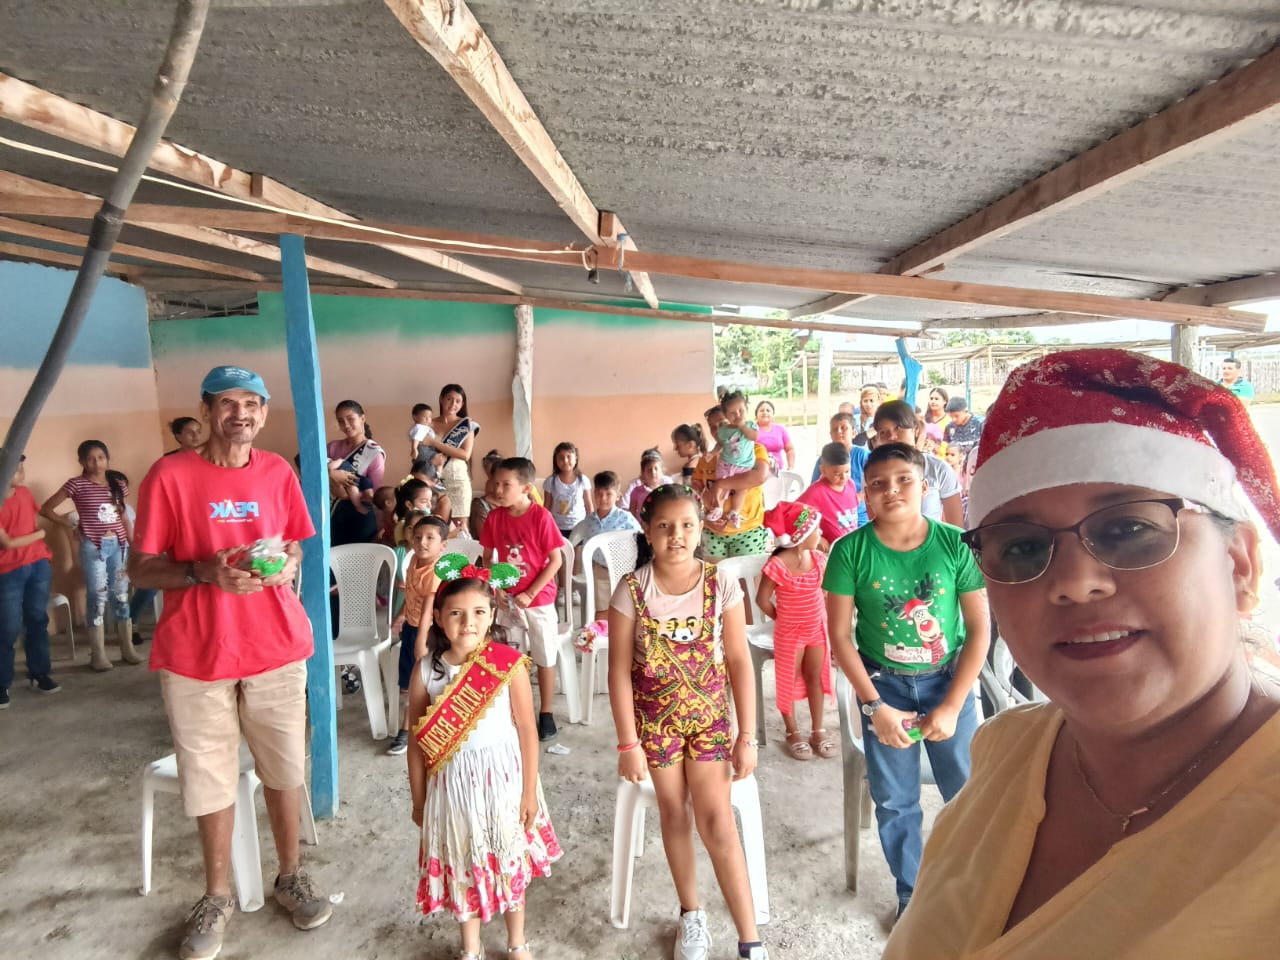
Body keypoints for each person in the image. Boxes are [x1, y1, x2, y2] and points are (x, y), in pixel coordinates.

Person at [884, 349, 1280, 959]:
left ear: (1241, 565)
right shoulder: (1007, 750)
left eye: (1128, 528)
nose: (1074, 583)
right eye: (1021, 547)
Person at [128, 365, 332, 959]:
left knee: (284, 766)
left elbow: (294, 544)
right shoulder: (169, 475)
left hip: (275, 646)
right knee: (209, 776)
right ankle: (216, 896)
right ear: (206, 410)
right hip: (196, 654)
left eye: (251, 403)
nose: (240, 413)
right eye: (227, 402)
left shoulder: (277, 471)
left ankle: (290, 875)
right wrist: (202, 572)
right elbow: (139, 568)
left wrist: (288, 564)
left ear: (263, 414)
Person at [824, 442, 990, 917]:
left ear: (925, 485)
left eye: (903, 480)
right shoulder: (850, 551)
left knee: (968, 792)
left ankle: (973, 885)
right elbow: (840, 636)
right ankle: (911, 894)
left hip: (948, 682)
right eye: (877, 484)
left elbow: (979, 630)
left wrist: (953, 704)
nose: (891, 490)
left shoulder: (955, 544)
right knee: (896, 799)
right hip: (884, 686)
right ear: (865, 494)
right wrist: (874, 706)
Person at [607, 485, 769, 960]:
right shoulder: (631, 590)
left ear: (701, 529)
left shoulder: (722, 584)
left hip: (709, 722)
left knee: (716, 821)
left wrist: (747, 735)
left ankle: (750, 939)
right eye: (664, 526)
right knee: (674, 813)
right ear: (647, 531)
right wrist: (627, 744)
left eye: (686, 525)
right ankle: (691, 914)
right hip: (654, 726)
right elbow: (618, 671)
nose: (675, 535)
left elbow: (738, 661)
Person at [408, 565, 562, 960]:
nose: (468, 623)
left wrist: (529, 793)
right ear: (439, 617)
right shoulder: (426, 670)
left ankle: (517, 942)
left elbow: (527, 729)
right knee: (464, 864)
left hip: (504, 784)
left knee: (509, 860)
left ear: (492, 615)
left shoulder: (507, 663)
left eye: (478, 612)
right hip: (453, 791)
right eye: (456, 613)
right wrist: (419, 800)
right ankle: (471, 947)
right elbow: (416, 743)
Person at [480, 457, 564, 742]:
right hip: (508, 601)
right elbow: (487, 558)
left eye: (506, 484)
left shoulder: (541, 517)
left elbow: (555, 561)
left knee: (544, 654)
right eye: (496, 483)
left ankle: (546, 712)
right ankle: (516, 710)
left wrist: (531, 593)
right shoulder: (495, 518)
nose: (498, 490)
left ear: (526, 488)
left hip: (539, 601)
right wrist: (496, 587)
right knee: (510, 655)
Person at [40, 439, 140, 670]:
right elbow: (46, 509)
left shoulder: (117, 483)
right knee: (97, 596)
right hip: (94, 548)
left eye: (101, 457)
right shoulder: (76, 484)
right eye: (90, 459)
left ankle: (127, 648)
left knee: (121, 595)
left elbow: (124, 517)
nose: (97, 463)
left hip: (119, 546)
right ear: (82, 461)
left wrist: (133, 545)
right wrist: (70, 525)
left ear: (108, 459)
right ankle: (98, 654)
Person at [758, 502, 832, 761]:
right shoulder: (777, 565)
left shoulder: (819, 560)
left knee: (815, 677)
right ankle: (792, 732)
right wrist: (782, 618)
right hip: (790, 634)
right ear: (802, 534)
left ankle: (818, 731)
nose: (820, 533)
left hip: (816, 630)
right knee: (787, 680)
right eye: (816, 529)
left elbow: (824, 592)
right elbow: (762, 600)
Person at [0, 449, 59, 705]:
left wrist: (35, 541)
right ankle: (2, 684)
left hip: (38, 565)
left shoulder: (24, 493)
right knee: (7, 628)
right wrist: (40, 536)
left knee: (37, 620)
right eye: (15, 468)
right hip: (7, 571)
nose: (21, 472)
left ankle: (40, 673)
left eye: (21, 466)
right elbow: (7, 543)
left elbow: (29, 524)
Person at [387, 514, 448, 757]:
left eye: (430, 538)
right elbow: (411, 596)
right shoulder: (414, 560)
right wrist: (401, 616)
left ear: (443, 545)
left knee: (425, 681)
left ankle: (415, 729)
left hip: (429, 632)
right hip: (412, 628)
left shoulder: (434, 572)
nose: (422, 542)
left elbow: (427, 612)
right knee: (409, 682)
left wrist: (421, 642)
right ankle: (412, 726)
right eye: (418, 536)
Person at [872, 400, 963, 526]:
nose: (891, 436)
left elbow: (957, 528)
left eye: (898, 428)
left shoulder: (938, 469)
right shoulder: (873, 473)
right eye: (883, 432)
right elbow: (875, 522)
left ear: (915, 429)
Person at [568, 471, 641, 621]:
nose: (603, 498)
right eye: (599, 494)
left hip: (623, 571)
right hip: (599, 571)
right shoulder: (589, 521)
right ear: (594, 495)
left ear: (618, 496)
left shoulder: (625, 519)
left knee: (622, 609)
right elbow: (575, 541)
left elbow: (641, 540)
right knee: (601, 609)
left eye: (608, 494)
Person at [694, 439, 771, 560]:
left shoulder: (755, 450)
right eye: (714, 428)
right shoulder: (707, 458)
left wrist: (720, 485)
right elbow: (696, 492)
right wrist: (705, 517)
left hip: (748, 531)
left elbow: (760, 476)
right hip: (712, 532)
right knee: (713, 571)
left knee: (745, 571)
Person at [327, 399, 385, 546]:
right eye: (341, 421)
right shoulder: (332, 447)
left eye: (350, 419)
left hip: (359, 517)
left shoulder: (373, 453)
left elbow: (374, 495)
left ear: (362, 418)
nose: (346, 425)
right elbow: (315, 474)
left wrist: (345, 495)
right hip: (332, 513)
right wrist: (332, 474)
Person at [427, 384, 478, 532]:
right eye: (449, 399)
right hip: (433, 482)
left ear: (462, 404)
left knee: (460, 529)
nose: (453, 404)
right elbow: (419, 454)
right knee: (436, 528)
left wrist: (435, 443)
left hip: (458, 482)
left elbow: (465, 454)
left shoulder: (466, 426)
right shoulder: (429, 424)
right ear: (441, 399)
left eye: (458, 401)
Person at [810, 412, 870, 527]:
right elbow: (814, 490)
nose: (839, 432)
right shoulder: (823, 460)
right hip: (831, 517)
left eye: (844, 428)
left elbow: (873, 485)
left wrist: (858, 498)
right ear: (830, 435)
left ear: (854, 433)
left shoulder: (863, 456)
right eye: (835, 429)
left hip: (860, 516)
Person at [708, 391, 760, 524]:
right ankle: (718, 508)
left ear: (747, 410)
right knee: (720, 486)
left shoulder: (750, 426)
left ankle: (735, 512)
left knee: (741, 490)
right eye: (732, 413)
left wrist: (742, 426)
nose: (737, 415)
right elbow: (720, 443)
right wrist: (712, 453)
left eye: (741, 411)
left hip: (744, 466)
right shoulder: (724, 430)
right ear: (726, 416)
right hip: (726, 463)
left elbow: (754, 437)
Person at [797, 442, 861, 549]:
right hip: (832, 551)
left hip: (852, 546)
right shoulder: (816, 492)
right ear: (823, 470)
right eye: (837, 474)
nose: (843, 477)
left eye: (847, 471)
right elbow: (798, 516)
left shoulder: (850, 484)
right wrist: (816, 536)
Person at [543, 441, 592, 538]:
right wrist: (545, 524)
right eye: (561, 457)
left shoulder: (583, 480)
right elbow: (547, 506)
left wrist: (590, 524)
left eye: (569, 456)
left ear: (576, 458)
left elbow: (588, 505)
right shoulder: (551, 481)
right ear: (555, 460)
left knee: (577, 547)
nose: (565, 460)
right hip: (556, 527)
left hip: (579, 526)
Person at [626, 448, 670, 521]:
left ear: (662, 472)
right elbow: (631, 515)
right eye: (649, 469)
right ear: (643, 473)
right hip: (641, 525)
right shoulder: (636, 492)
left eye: (656, 468)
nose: (653, 472)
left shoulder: (667, 490)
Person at [753, 401, 794, 473]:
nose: (765, 412)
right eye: (762, 410)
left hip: (779, 472)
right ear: (756, 414)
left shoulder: (780, 429)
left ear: (773, 414)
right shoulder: (751, 430)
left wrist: (790, 467)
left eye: (768, 410)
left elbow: (790, 449)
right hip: (757, 473)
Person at [407, 402, 436, 467]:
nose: (428, 419)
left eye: (430, 417)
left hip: (426, 448)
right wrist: (414, 449)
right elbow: (416, 438)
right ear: (415, 417)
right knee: (436, 459)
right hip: (423, 448)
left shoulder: (424, 427)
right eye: (425, 417)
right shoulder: (419, 427)